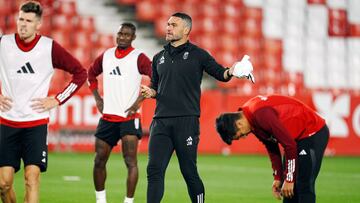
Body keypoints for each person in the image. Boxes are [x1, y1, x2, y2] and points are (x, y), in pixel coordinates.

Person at [141, 12, 253, 203]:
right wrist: (151, 92)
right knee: (154, 170)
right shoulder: (158, 57)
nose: (168, 27)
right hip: (160, 122)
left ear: (186, 30)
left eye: (173, 25)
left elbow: (220, 74)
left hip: (186, 122)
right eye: (167, 24)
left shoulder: (198, 55)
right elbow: (155, 86)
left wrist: (232, 71)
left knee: (189, 171)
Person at [0, 1, 87, 203]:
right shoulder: (3, 44)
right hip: (7, 122)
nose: (23, 24)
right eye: (21, 19)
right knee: (4, 184)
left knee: (32, 179)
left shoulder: (49, 48)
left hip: (36, 124)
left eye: (29, 21)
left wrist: (57, 99)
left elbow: (80, 73)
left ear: (38, 24)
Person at [215, 95, 329, 203]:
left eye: (240, 135)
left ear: (239, 124)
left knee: (303, 184)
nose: (244, 137)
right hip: (295, 139)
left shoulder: (261, 114)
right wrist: (278, 177)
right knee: (288, 189)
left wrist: (289, 179)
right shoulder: (251, 117)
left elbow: (289, 146)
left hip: (312, 132)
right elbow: (271, 146)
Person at [88, 22, 152, 203]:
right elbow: (90, 74)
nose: (122, 37)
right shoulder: (106, 56)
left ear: (133, 38)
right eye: (120, 34)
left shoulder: (139, 57)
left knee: (130, 162)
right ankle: (101, 200)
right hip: (108, 117)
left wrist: (138, 102)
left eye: (126, 35)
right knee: (99, 161)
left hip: (129, 118)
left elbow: (156, 78)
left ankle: (128, 201)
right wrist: (98, 99)